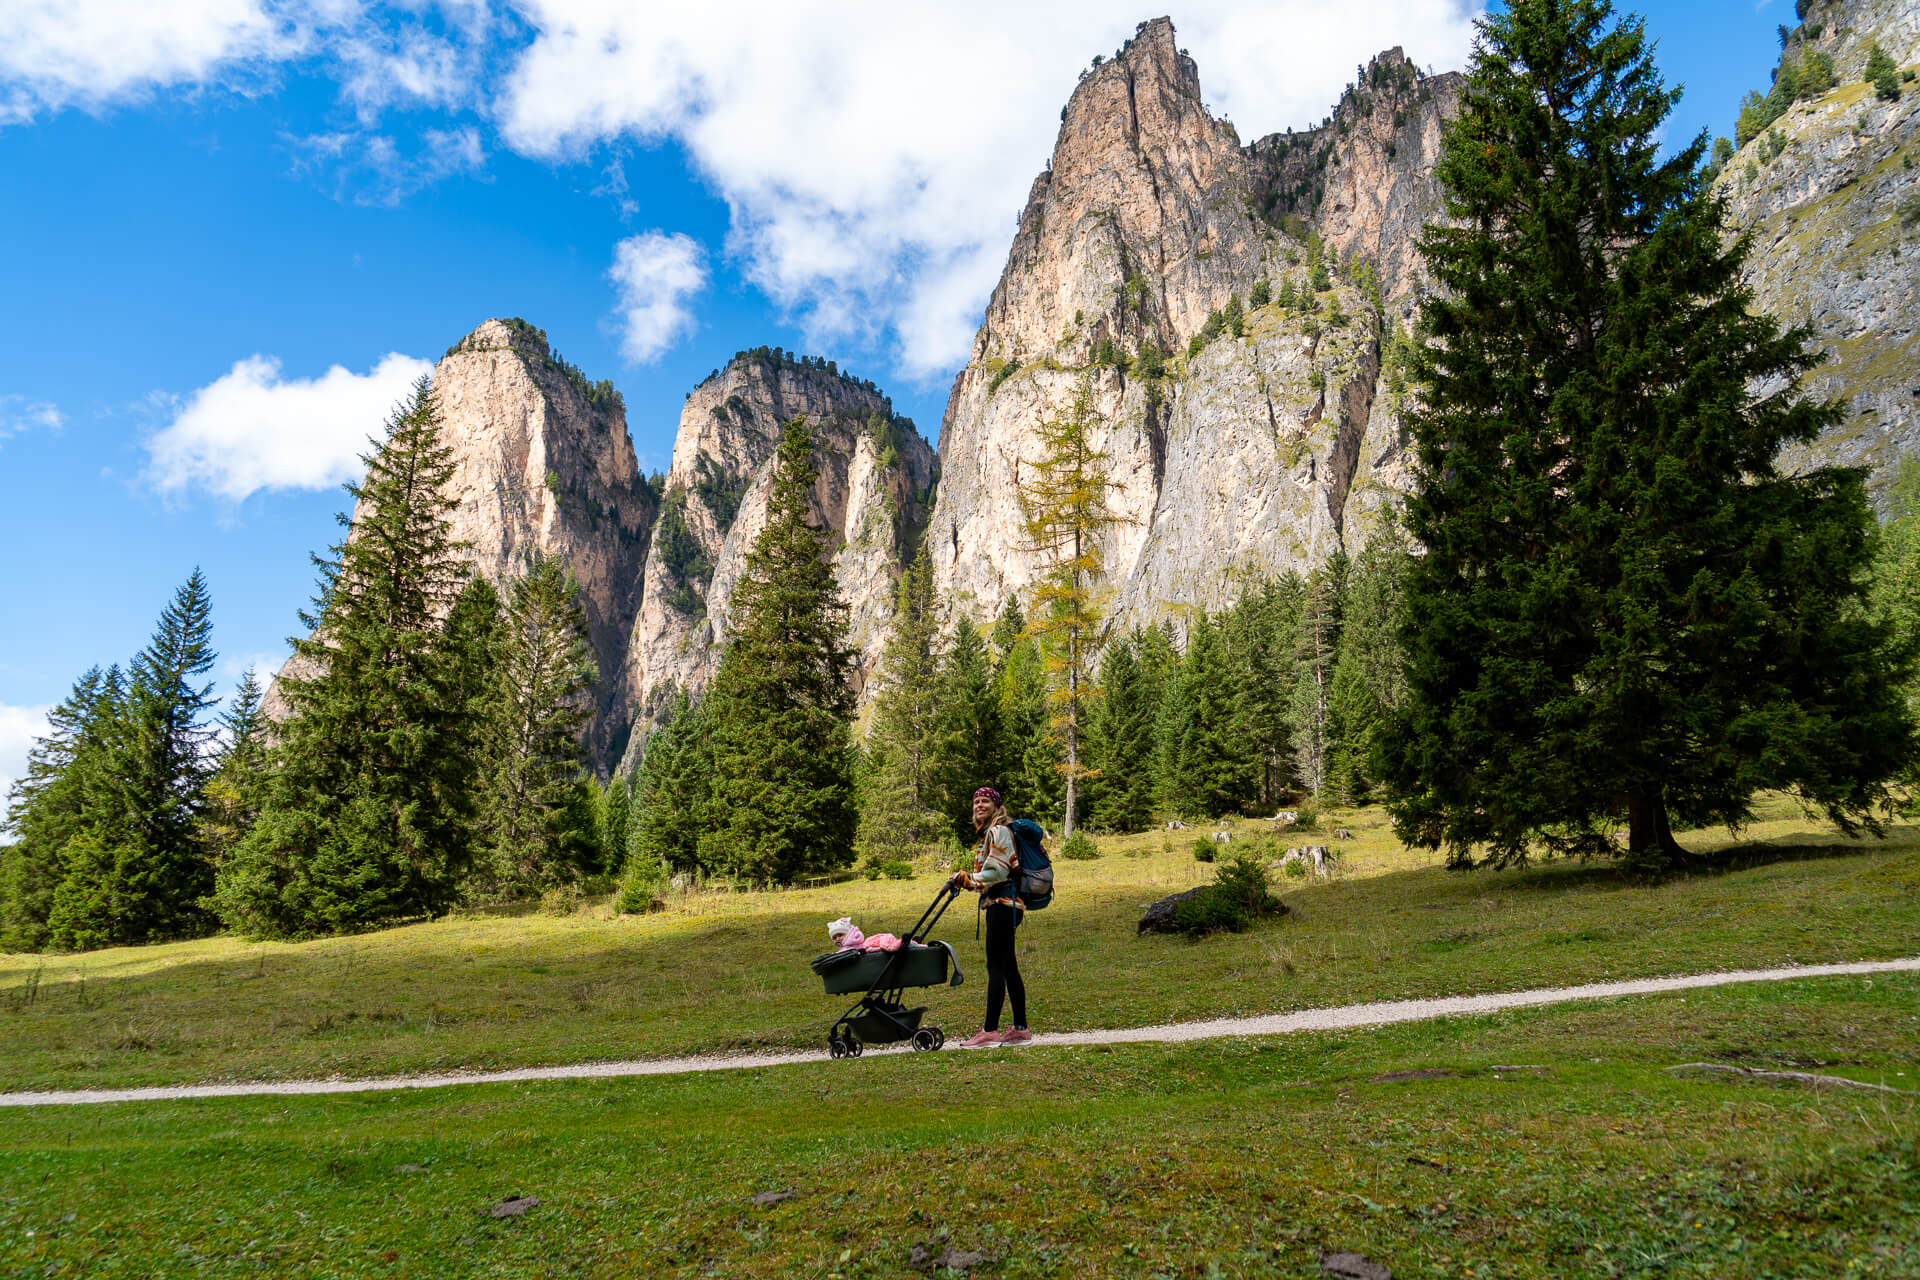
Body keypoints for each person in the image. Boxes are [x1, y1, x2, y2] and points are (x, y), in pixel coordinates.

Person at [947, 785, 1033, 1047]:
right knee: (1008, 968)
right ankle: (1020, 1029)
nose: (979, 806)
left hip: (1002, 904)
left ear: (997, 806)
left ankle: (990, 1031)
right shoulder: (992, 832)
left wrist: (967, 879)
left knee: (995, 967)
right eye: (976, 803)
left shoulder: (998, 831)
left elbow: (996, 872)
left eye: (985, 801)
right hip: (1004, 905)